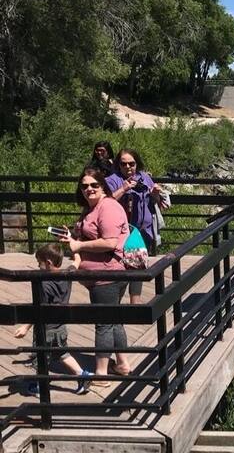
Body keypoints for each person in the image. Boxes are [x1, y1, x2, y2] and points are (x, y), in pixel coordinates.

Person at [65, 169, 134, 384]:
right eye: (84, 186)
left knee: (103, 322)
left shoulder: (109, 207)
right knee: (114, 320)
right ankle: (122, 364)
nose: (89, 189)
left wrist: (79, 245)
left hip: (108, 274)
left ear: (103, 186)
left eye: (93, 184)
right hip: (100, 274)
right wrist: (73, 236)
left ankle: (101, 373)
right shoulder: (92, 208)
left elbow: (110, 242)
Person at [12, 245, 92, 395]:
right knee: (61, 353)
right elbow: (76, 263)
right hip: (60, 326)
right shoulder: (67, 274)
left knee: (40, 355)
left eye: (39, 263)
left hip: (46, 327)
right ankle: (82, 374)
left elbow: (39, 309)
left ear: (48, 262)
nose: (38, 266)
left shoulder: (44, 284)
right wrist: (76, 251)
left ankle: (38, 385)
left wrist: (25, 327)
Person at [104, 149, 164, 252]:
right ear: (118, 164)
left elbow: (156, 201)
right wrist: (123, 189)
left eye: (131, 163)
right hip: (122, 232)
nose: (128, 167)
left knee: (145, 263)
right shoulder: (111, 180)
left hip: (146, 231)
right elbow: (105, 203)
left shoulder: (145, 178)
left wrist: (155, 194)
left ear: (137, 163)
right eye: (123, 164)